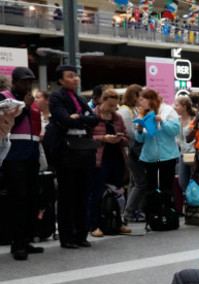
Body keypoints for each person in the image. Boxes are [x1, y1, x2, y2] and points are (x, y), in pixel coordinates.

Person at [43, 65, 99, 249]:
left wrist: (80, 116)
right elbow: (64, 119)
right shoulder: (57, 97)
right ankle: (67, 237)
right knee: (67, 194)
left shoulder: (81, 98)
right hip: (65, 150)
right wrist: (82, 118)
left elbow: (94, 119)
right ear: (60, 80)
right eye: (70, 76)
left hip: (82, 149)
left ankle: (81, 234)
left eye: (76, 76)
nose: (75, 79)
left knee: (82, 193)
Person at [0, 67, 44, 260]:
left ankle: (26, 239)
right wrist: (25, 107)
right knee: (17, 199)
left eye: (30, 82)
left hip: (31, 154)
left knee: (31, 199)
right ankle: (16, 243)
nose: (27, 85)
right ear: (14, 81)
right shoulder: (4, 97)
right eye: (24, 81)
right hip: (13, 154)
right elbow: (8, 124)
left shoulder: (31, 100)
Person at [88, 89, 131, 237]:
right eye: (110, 105)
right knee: (97, 192)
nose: (112, 109)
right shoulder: (92, 116)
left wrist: (120, 139)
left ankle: (118, 222)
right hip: (99, 159)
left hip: (116, 158)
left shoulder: (117, 117)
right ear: (102, 100)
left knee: (118, 192)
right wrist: (103, 138)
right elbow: (87, 139)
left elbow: (127, 138)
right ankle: (94, 225)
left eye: (115, 106)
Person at [135, 88, 181, 197]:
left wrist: (163, 122)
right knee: (150, 188)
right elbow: (139, 140)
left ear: (150, 99)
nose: (140, 103)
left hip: (168, 156)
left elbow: (175, 131)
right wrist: (139, 130)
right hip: (149, 157)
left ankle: (166, 211)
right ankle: (152, 212)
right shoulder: (141, 114)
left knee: (166, 188)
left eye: (142, 100)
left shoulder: (168, 110)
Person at [118, 84, 146, 223]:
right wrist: (143, 132)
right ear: (134, 96)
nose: (142, 100)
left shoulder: (134, 110)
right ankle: (129, 211)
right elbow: (129, 132)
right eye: (140, 97)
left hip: (135, 150)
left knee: (135, 182)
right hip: (131, 151)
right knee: (140, 182)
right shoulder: (125, 111)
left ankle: (133, 210)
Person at [173, 95, 195, 193]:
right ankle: (187, 200)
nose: (174, 107)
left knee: (195, 180)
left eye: (177, 105)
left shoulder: (194, 119)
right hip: (182, 154)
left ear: (184, 107)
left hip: (194, 154)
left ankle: (196, 201)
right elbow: (177, 139)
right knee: (182, 181)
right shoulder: (177, 120)